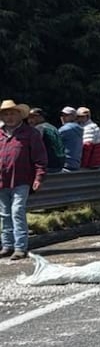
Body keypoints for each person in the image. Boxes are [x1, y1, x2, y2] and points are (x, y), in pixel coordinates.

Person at [0, 100, 47, 260]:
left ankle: (20, 247)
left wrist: (39, 177)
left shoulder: (30, 133)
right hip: (1, 181)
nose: (9, 117)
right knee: (4, 214)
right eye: (6, 114)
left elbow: (40, 157)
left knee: (17, 211)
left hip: (21, 179)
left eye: (12, 113)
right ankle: (7, 245)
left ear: (20, 115)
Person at [26, 108, 65, 173]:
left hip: (49, 165)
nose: (30, 120)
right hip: (59, 164)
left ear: (41, 117)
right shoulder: (52, 127)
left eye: (32, 117)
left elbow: (34, 147)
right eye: (29, 118)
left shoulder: (39, 128)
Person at [58, 106, 83, 171]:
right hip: (76, 164)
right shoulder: (79, 128)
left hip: (65, 164)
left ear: (73, 117)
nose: (63, 117)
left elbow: (54, 143)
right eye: (62, 115)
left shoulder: (65, 129)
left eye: (66, 115)